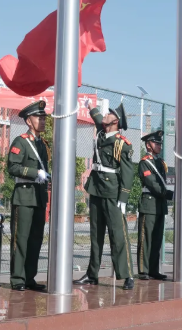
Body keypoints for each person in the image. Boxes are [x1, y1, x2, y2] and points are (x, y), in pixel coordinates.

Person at [74, 101, 135, 290]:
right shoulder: (102, 131)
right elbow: (97, 117)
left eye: (110, 114)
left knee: (118, 235)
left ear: (115, 122)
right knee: (96, 235)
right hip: (96, 189)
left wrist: (123, 198)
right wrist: (89, 106)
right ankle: (92, 274)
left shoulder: (122, 144)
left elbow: (128, 172)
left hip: (112, 192)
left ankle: (127, 275)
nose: (105, 115)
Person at [6, 100, 50, 291]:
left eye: (44, 118)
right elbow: (12, 166)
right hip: (24, 195)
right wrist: (34, 173)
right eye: (39, 118)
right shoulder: (21, 141)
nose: (43, 121)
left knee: (35, 239)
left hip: (39, 196)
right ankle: (17, 278)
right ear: (28, 121)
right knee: (21, 238)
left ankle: (29, 278)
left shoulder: (43, 144)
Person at [136, 130, 173, 280]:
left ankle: (153, 270)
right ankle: (143, 270)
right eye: (156, 143)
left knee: (157, 239)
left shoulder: (160, 162)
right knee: (146, 238)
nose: (159, 146)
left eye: (160, 143)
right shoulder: (145, 163)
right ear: (148, 145)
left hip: (160, 205)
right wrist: (170, 194)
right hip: (149, 204)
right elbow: (152, 184)